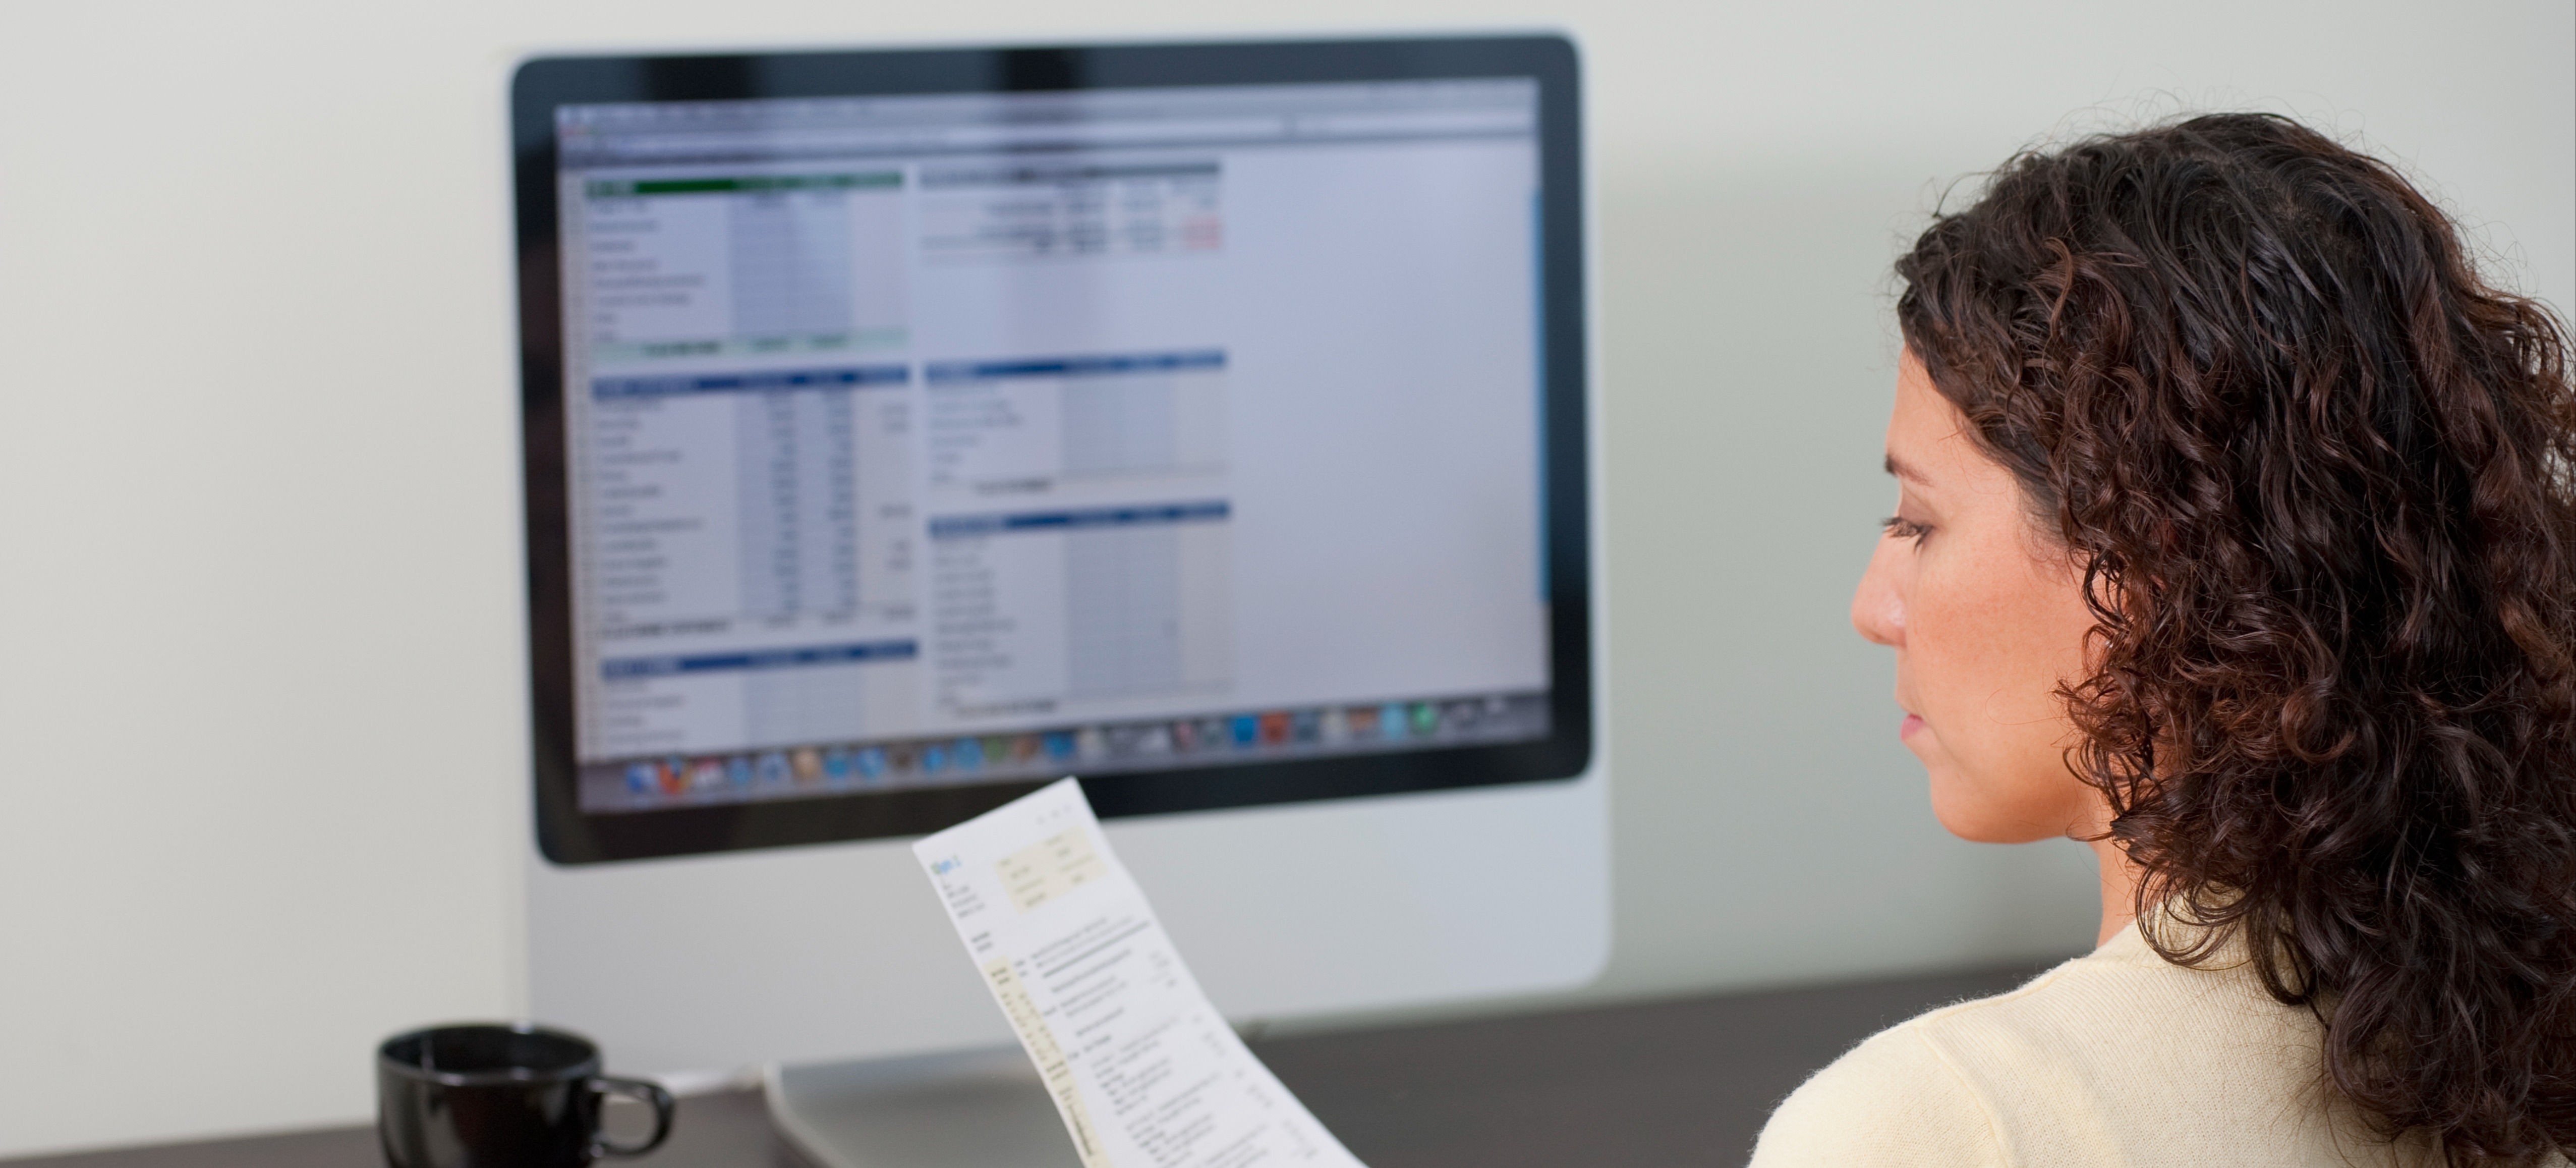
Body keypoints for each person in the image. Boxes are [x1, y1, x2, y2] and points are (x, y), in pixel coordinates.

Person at [1749, 114, 2576, 1166]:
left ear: (2142, 565)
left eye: (1917, 523)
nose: (1874, 608)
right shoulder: (2514, 1065)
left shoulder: (1931, 1128)